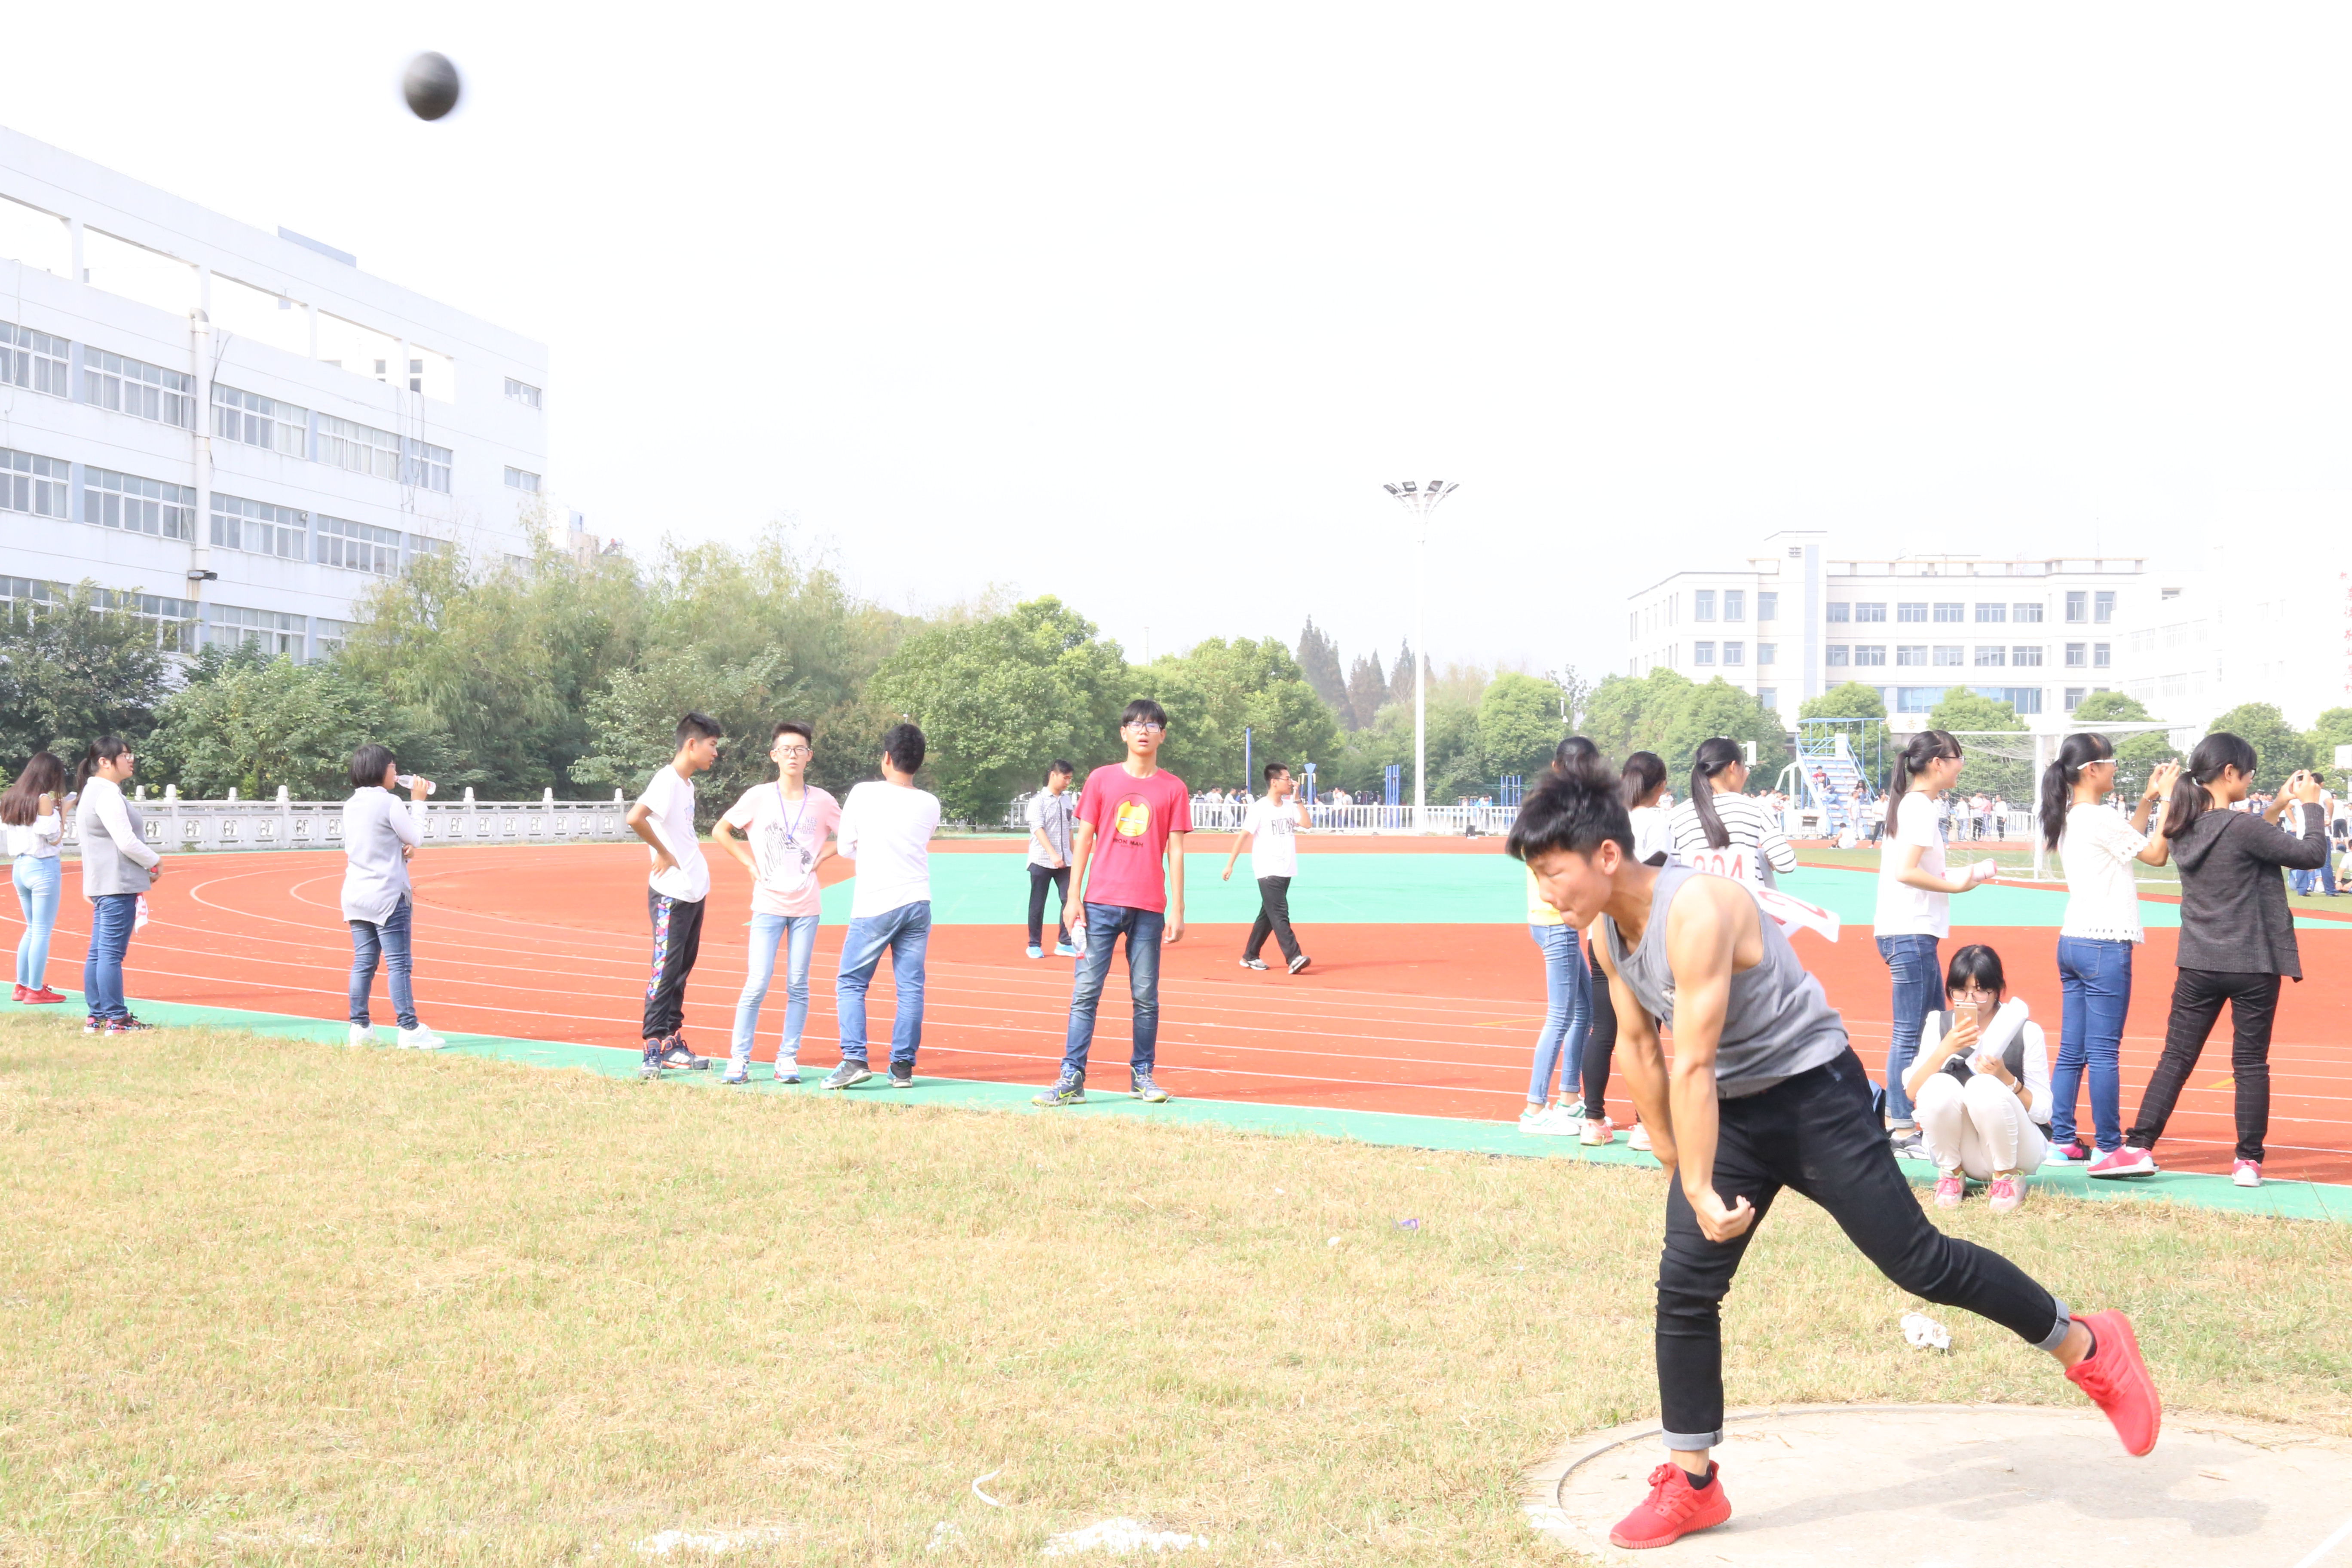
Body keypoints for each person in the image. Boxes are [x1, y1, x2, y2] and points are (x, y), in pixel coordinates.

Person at [1507, 755, 2160, 1550]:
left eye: (1551, 872)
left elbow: (1693, 1060)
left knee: (1921, 1262)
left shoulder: (1698, 908)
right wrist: (1680, 1169)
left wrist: (1704, 1178)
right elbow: (1640, 1047)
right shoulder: (1605, 934)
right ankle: (1692, 1482)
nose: (1544, 892)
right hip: (1733, 1111)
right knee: (1683, 1285)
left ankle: (2088, 1345)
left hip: (1813, 1093)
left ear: (1606, 856)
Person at [2101, 738, 2328, 1187]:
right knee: (2249, 1063)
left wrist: (2277, 807)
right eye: (2247, 774)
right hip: (2254, 963)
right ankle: (2248, 1161)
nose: (2250, 781)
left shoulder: (2185, 828)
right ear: (2229, 773)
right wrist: (2311, 807)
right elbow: (2312, 855)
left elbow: (2240, 845)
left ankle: (2138, 1147)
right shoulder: (2241, 827)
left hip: (2199, 961)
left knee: (2176, 1058)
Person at [1035, 698, 1190, 1107]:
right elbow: (1083, 839)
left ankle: (1143, 1075)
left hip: (1149, 907)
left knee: (1146, 996)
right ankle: (1072, 1078)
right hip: (1100, 903)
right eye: (1136, 724)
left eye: (1153, 724)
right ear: (1123, 733)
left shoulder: (1174, 788)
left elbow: (1175, 850)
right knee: (1085, 993)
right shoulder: (1102, 780)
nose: (1144, 730)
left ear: (1163, 735)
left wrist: (1178, 906)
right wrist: (1073, 899)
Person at [2039, 735, 2178, 1165]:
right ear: (2091, 770)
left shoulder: (2075, 816)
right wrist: (2170, 802)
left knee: (2072, 1050)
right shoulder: (2096, 817)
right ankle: (2112, 1148)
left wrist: (2148, 801)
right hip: (2104, 943)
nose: (2116, 767)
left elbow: (2128, 842)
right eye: (2111, 761)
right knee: (2102, 1051)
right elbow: (2155, 854)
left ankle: (2062, 1139)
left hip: (2075, 939)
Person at [1875, 730, 1996, 1158]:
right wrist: (1956, 886)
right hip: (1908, 931)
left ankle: (1910, 1120)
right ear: (1938, 763)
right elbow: (1905, 872)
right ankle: (1901, 1125)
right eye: (1958, 757)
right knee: (1911, 1032)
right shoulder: (1920, 807)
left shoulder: (1914, 804)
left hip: (1911, 930)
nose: (1962, 764)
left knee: (1924, 1029)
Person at [713, 721, 840, 1086]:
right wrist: (749, 864)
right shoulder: (758, 796)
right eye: (786, 749)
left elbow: (852, 837)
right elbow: (721, 830)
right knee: (757, 982)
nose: (792, 756)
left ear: (810, 756)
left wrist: (821, 857)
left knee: (798, 984)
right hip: (767, 904)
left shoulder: (823, 801)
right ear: (774, 756)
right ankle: (739, 1059)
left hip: (806, 906)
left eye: (800, 749)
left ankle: (787, 1058)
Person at [823, 723, 942, 1090]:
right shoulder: (930, 802)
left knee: (851, 982)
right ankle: (903, 1069)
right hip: (917, 901)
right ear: (918, 763)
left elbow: (844, 846)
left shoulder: (864, 793)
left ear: (887, 758)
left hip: (876, 901)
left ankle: (855, 1059)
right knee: (910, 988)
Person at [1901, 944, 2050, 1211]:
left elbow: (2043, 1112)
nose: (1970, 1001)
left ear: (1998, 990)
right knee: (1937, 1085)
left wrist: (2006, 1078)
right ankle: (1951, 1175)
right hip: (1963, 1151)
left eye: (1981, 991)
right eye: (1960, 991)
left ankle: (2007, 1178)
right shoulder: (1939, 1024)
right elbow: (1913, 1093)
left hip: (2017, 1150)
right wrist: (1945, 1050)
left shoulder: (2025, 1032)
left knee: (1983, 1086)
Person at [1581, 749, 1672, 1149]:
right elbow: (1662, 870)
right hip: (1641, 935)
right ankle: (1644, 1126)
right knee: (1646, 1034)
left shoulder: (1604, 818)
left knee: (1604, 1030)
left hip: (1600, 931)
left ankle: (1593, 1119)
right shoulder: (1659, 822)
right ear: (1662, 786)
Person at [627, 712, 723, 1078]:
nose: (715, 753)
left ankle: (671, 1041)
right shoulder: (666, 781)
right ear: (692, 744)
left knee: (682, 969)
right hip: (671, 894)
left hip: (693, 891)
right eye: (713, 746)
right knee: (665, 969)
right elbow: (635, 817)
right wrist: (663, 854)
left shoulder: (687, 785)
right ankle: (652, 1044)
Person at [1519, 738, 1603, 1136]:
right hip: (1558, 921)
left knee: (1583, 1009)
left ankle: (1569, 1099)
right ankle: (1534, 1109)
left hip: (1550, 918)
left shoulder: (1545, 804)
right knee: (1561, 1015)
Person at [340, 745, 446, 1050]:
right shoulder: (391, 802)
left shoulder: (351, 805)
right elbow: (416, 837)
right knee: (399, 964)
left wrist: (405, 855)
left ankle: (360, 1027)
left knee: (364, 962)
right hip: (388, 895)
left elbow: (369, 849)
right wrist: (419, 803)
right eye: (393, 768)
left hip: (356, 893)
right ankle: (409, 1029)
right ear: (379, 770)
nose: (397, 774)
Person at [74, 735, 162, 1034]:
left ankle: (98, 1016)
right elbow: (126, 841)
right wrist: (154, 861)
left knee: (99, 953)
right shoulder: (107, 794)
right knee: (110, 954)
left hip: (104, 883)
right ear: (104, 762)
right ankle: (117, 1018)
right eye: (125, 755)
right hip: (117, 883)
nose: (131, 759)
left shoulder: (91, 791)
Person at [1668, 738, 1799, 888]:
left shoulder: (1676, 815)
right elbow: (1786, 863)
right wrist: (1762, 858)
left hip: (1695, 906)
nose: (1746, 775)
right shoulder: (1756, 810)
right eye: (1746, 768)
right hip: (1745, 907)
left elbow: (1669, 871)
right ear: (1733, 767)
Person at [1224, 761, 1312, 974]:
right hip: (1267, 869)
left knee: (1269, 914)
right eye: (1287, 779)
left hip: (1286, 868)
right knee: (1280, 912)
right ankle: (1293, 956)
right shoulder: (1260, 808)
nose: (1291, 782)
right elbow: (1243, 836)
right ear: (1274, 782)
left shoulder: (1290, 806)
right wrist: (1230, 864)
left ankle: (1250, 955)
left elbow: (1307, 824)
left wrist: (1298, 799)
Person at [2, 752, 68, 1003]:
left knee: (31, 929)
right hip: (42, 867)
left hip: (19, 867)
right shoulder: (43, 799)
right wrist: (65, 812)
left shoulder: (11, 797)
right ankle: (36, 990)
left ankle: (22, 986)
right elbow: (54, 837)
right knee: (41, 931)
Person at [1023, 762, 1079, 959]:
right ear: (1053, 775)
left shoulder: (1066, 801)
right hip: (1042, 861)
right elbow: (1038, 829)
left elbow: (1070, 829)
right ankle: (1034, 944)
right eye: (1065, 778)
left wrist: (1074, 854)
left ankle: (1065, 942)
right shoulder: (1038, 801)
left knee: (1068, 899)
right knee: (1038, 903)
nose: (1067, 782)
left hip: (1066, 861)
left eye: (1070, 779)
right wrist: (1053, 854)